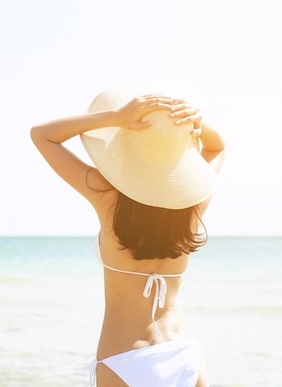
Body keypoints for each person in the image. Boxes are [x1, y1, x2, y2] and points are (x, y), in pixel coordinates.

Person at [30, 85, 225, 387]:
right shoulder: (193, 202)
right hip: (184, 348)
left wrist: (115, 117)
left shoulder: (106, 195)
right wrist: (198, 122)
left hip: (126, 357)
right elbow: (217, 148)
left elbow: (42, 134)